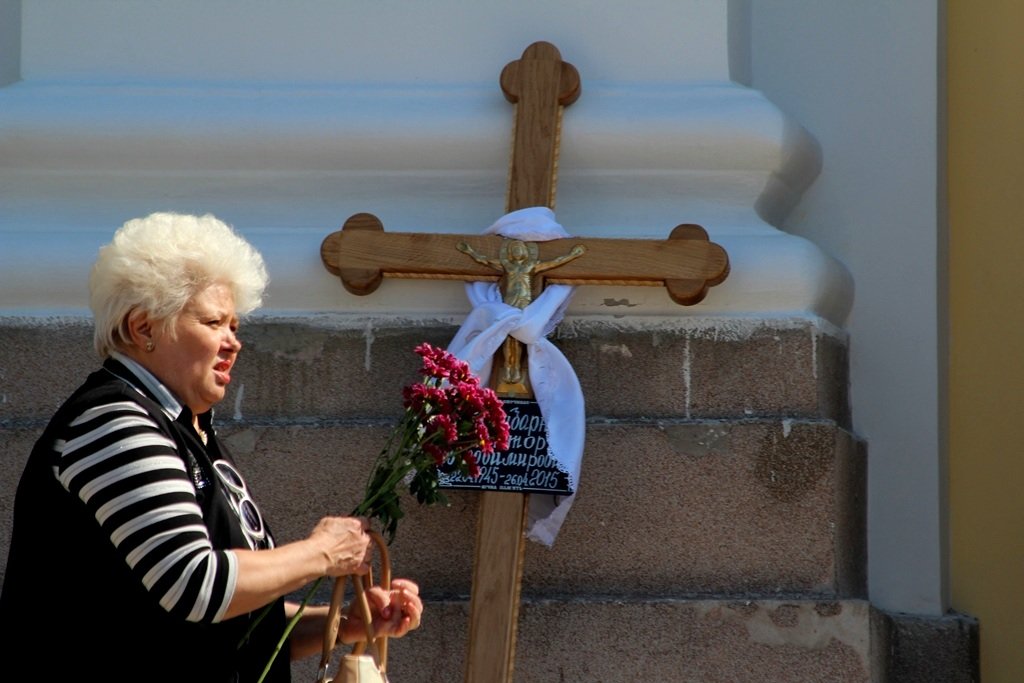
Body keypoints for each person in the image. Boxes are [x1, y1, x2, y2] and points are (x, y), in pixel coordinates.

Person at [0, 212, 422, 681]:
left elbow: (230, 625)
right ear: (143, 328)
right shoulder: (114, 421)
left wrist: (344, 624)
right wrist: (322, 553)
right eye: (214, 322)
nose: (233, 343)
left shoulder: (185, 427)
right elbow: (194, 584)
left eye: (235, 326)